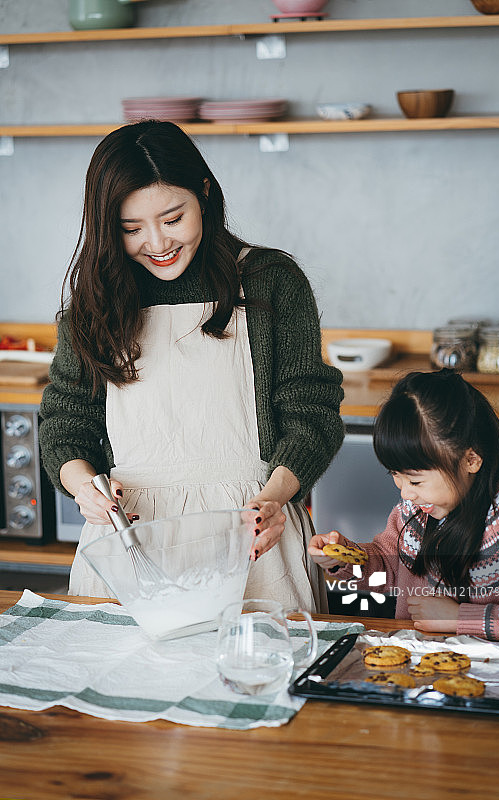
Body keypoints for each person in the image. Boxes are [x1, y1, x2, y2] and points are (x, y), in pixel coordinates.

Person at [39, 120, 344, 611]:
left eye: (173, 218)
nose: (157, 243)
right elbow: (65, 423)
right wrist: (85, 488)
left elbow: (311, 414)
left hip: (250, 536)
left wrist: (276, 495)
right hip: (130, 538)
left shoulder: (270, 282)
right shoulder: (95, 303)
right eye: (131, 228)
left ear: (203, 192)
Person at [309, 369, 499, 643]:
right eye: (395, 475)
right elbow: (389, 570)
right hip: (420, 663)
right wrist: (346, 559)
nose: (405, 493)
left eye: (415, 480)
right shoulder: (416, 511)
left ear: (470, 460)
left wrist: (456, 618)